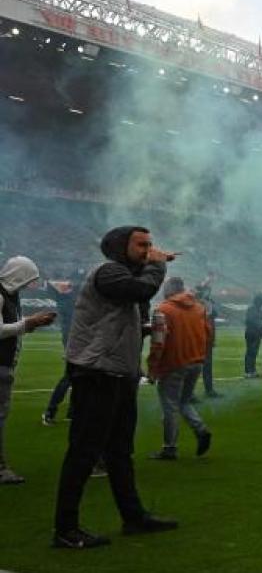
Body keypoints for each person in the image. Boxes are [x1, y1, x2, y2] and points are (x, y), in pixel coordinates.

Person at [53, 226, 179, 549]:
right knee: (84, 451)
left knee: (120, 452)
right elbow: (140, 291)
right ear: (120, 246)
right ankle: (65, 529)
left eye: (151, 244)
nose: (148, 249)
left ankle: (133, 517)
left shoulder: (123, 277)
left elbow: (119, 318)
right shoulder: (108, 272)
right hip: (96, 373)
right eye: (141, 244)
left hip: (119, 374)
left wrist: (146, 329)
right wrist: (158, 264)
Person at [2, 256, 58, 484]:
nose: (27, 285)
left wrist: (33, 322)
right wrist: (28, 324)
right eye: (27, 279)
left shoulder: (10, 296)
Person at [147, 277, 213, 460]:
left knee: (169, 406)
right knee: (184, 401)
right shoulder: (200, 308)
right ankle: (200, 429)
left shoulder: (163, 310)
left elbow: (158, 343)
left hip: (173, 364)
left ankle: (169, 448)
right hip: (197, 361)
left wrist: (153, 367)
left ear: (168, 290)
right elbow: (208, 334)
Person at [41, 275, 77, 426]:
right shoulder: (66, 300)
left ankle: (71, 412)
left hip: (77, 337)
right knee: (70, 376)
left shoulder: (69, 299)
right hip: (74, 338)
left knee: (77, 376)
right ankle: (50, 411)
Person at [243, 293, 262, 378]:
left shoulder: (256, 309)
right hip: (252, 333)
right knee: (250, 352)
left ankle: (252, 370)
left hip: (255, 333)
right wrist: (260, 325)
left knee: (253, 352)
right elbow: (250, 320)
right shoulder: (253, 309)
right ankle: (248, 371)